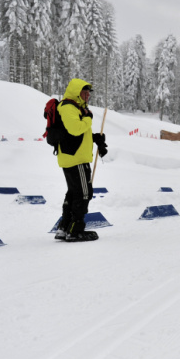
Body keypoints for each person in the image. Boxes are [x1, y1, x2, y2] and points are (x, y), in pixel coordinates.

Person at [55, 78, 107, 242]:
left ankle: (64, 228)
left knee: (74, 193)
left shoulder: (75, 108)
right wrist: (88, 118)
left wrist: (95, 139)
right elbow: (76, 129)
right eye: (84, 92)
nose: (87, 95)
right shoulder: (68, 107)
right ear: (76, 92)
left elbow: (76, 134)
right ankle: (75, 230)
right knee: (84, 194)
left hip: (72, 157)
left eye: (89, 92)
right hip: (75, 158)